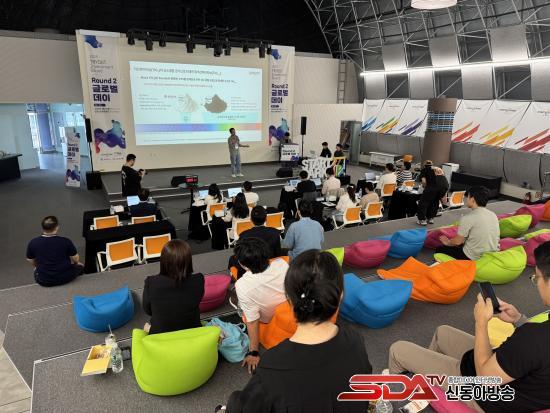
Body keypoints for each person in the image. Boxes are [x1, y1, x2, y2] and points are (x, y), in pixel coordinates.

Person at [388, 241, 550, 413]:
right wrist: (518, 319)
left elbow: (486, 378)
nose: (536, 284)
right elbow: (538, 349)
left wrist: (481, 322)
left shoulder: (532, 339)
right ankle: (430, 383)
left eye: (537, 278)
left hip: (486, 395)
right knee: (443, 333)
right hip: (517, 381)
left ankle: (392, 403)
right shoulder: (535, 338)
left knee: (398, 350)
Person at [223, 250, 372, 413]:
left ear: (288, 298)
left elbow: (244, 407)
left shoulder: (272, 366)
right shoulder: (356, 341)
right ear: (340, 294)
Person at [233, 238, 289, 373]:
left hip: (266, 319)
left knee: (244, 308)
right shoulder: (282, 263)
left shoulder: (242, 285)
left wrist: (254, 352)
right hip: (287, 309)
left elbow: (252, 321)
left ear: (242, 264)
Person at [142, 240, 204, 335]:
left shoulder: (152, 282)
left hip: (160, 335)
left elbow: (148, 310)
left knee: (146, 326)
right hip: (192, 332)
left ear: (163, 261)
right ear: (188, 260)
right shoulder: (198, 279)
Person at [436, 186, 499, 260]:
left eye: (468, 197)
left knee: (440, 249)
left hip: (472, 257)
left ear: (472, 199)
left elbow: (458, 242)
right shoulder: (493, 215)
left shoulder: (468, 218)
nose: (466, 199)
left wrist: (448, 242)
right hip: (491, 255)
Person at [26, 216, 84, 287]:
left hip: (44, 281)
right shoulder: (65, 241)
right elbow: (75, 258)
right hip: (66, 277)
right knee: (81, 267)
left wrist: (37, 267)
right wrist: (76, 264)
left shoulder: (33, 243)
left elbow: (30, 260)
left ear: (43, 228)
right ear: (57, 227)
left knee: (36, 271)